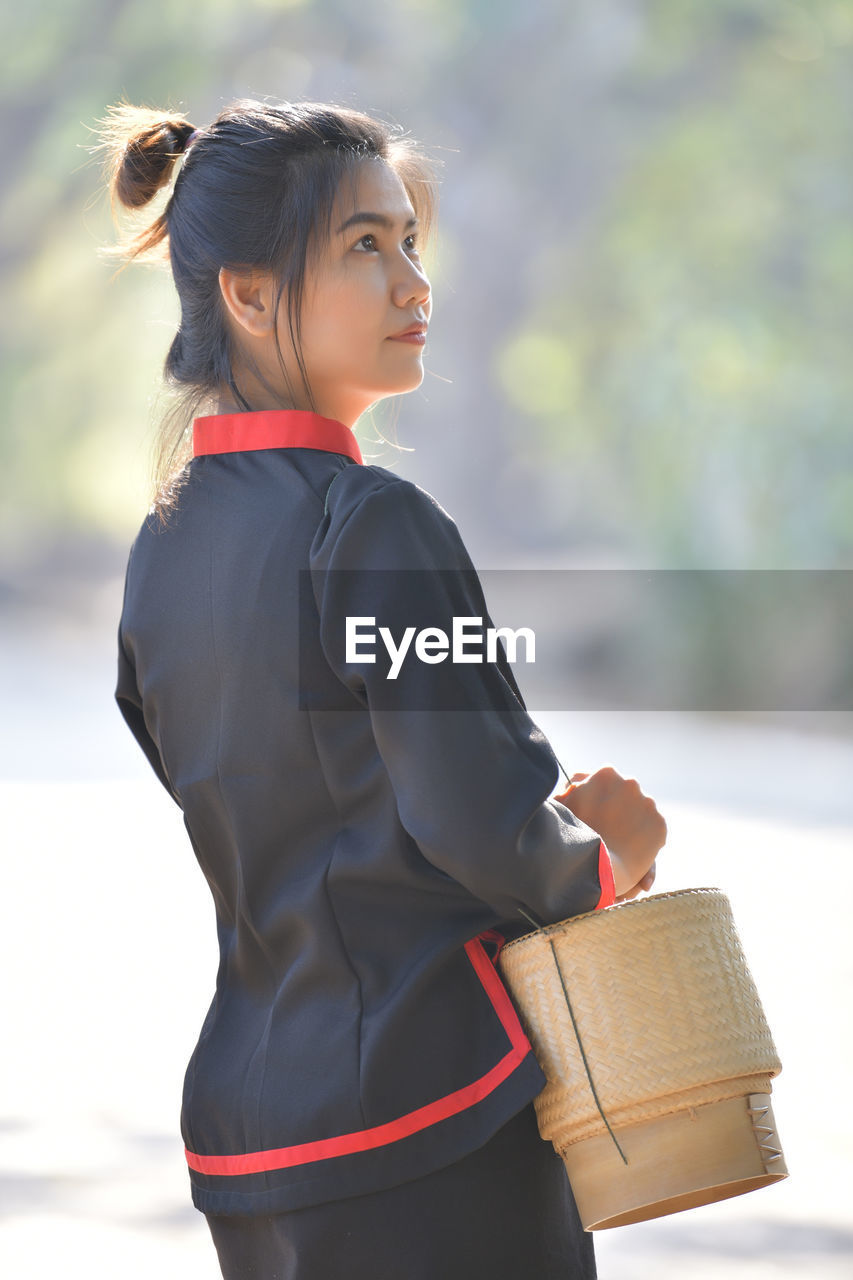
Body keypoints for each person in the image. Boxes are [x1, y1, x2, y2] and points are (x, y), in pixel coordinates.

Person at [94, 97, 666, 1279]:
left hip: (252, 1140)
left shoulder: (162, 550)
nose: (414, 283)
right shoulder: (374, 526)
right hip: (429, 1115)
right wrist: (606, 850)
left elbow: (252, 803)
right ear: (247, 295)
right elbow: (485, 823)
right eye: (365, 245)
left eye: (411, 242)